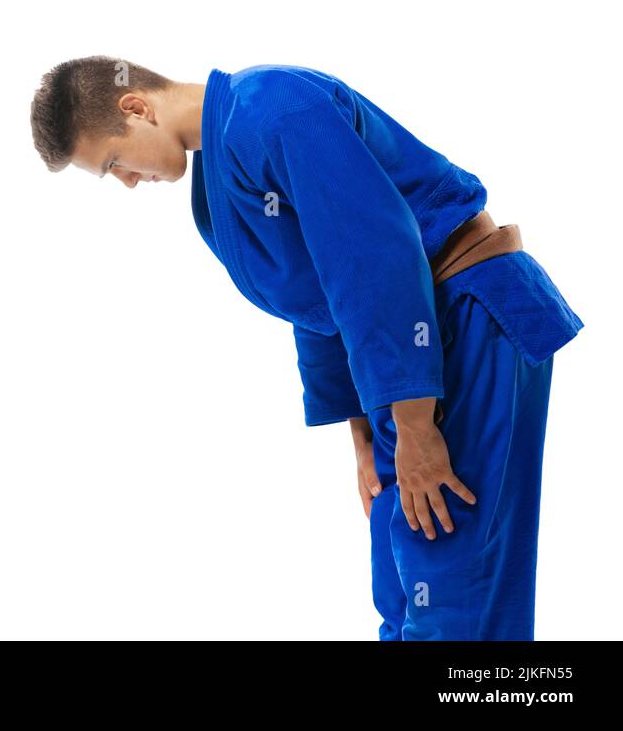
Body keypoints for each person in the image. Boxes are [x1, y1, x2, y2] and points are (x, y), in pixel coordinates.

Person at [29, 58, 583, 640]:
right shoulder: (213, 200)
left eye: (114, 162)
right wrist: (362, 435)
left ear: (135, 107)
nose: (127, 181)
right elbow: (316, 306)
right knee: (400, 587)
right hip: (401, 373)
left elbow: (375, 256)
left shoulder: (271, 106)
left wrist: (416, 425)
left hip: (459, 324)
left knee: (451, 586)